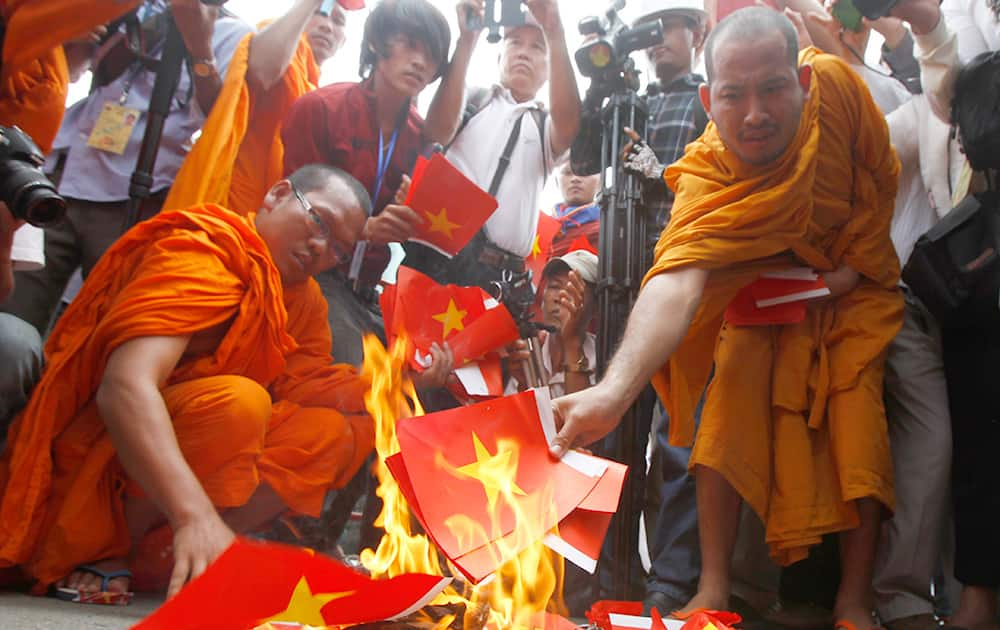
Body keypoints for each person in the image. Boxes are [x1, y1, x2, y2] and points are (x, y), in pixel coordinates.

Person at [549, 9, 902, 630]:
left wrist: (843, 277)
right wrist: (611, 391)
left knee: (857, 414)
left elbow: (879, 182)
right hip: (762, 295)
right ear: (710, 100)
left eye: (773, 90)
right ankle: (710, 585)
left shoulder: (842, 92)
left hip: (850, 290)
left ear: (805, 82)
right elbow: (677, 279)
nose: (756, 114)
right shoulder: (708, 170)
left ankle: (854, 598)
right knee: (722, 402)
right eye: (735, 97)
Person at [0, 164, 375, 601]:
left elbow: (308, 383)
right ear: (275, 194)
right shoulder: (203, 247)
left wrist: (397, 381)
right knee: (240, 404)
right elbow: (124, 386)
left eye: (339, 250)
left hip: (199, 449)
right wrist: (193, 513)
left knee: (343, 431)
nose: (320, 248)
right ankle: (104, 547)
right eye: (319, 221)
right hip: (103, 456)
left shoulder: (303, 298)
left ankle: (182, 552)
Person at [1, 0, 253, 336]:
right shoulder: (132, 7)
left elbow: (224, 117)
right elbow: (72, 67)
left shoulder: (234, 32)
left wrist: (199, 44)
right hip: (64, 175)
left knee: (88, 329)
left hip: (137, 197)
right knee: (16, 312)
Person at [281, 0, 453, 369]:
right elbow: (290, 213)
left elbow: (415, 239)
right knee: (356, 386)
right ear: (376, 42)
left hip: (371, 293)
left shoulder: (419, 138)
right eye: (410, 44)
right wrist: (364, 230)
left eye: (432, 55)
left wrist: (410, 220)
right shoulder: (321, 108)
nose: (420, 62)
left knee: (416, 379)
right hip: (314, 279)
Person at [617, 0, 711, 612]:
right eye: (647, 35)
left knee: (678, 437)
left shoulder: (711, 99)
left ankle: (670, 580)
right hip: (621, 287)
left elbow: (713, 181)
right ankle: (610, 570)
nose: (656, 44)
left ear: (697, 34)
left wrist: (660, 173)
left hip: (681, 285)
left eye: (667, 30)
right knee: (620, 435)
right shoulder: (631, 104)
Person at [404, 0, 581, 292]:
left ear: (552, 70)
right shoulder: (471, 99)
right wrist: (467, 40)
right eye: (514, 42)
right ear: (499, 55)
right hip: (432, 257)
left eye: (538, 47)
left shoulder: (545, 125)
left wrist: (555, 30)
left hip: (498, 280)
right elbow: (436, 132)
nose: (524, 52)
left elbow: (569, 125)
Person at [164, 0, 353, 214]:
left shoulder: (319, 95)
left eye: (338, 22)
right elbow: (261, 73)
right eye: (321, 14)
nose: (328, 26)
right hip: (228, 204)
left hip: (274, 216)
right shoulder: (274, 44)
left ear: (344, 41)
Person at [509, 250, 598, 398]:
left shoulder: (604, 359)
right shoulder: (529, 350)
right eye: (554, 286)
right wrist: (524, 385)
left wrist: (572, 342)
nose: (558, 297)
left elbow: (580, 418)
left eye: (572, 289)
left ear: (595, 307)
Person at [550, 163, 600, 257]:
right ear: (557, 181)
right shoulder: (540, 228)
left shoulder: (608, 229)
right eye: (567, 173)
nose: (575, 179)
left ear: (600, 182)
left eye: (585, 172)